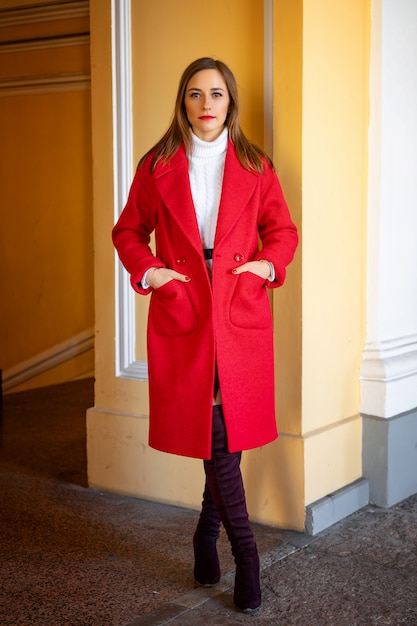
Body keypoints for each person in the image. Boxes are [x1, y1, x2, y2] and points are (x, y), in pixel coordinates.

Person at [112, 57, 298, 613]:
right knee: (215, 432)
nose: (206, 103)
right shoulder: (158, 164)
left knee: (223, 431)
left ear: (230, 101)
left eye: (216, 93)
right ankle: (247, 554)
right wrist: (153, 273)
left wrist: (265, 267)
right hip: (185, 299)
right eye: (195, 94)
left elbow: (282, 231)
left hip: (238, 302)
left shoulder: (255, 164)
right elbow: (128, 231)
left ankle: (209, 538)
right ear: (183, 101)